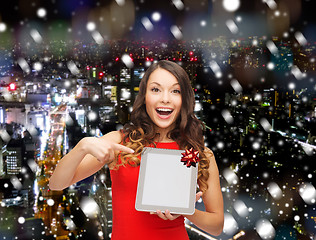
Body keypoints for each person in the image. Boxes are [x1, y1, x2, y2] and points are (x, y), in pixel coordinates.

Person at [49, 60, 224, 239]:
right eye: (156, 89)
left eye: (175, 91)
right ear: (144, 96)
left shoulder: (197, 153)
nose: (165, 98)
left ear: (184, 99)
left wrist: (186, 211)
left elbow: (217, 226)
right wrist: (83, 146)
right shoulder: (119, 142)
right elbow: (56, 184)